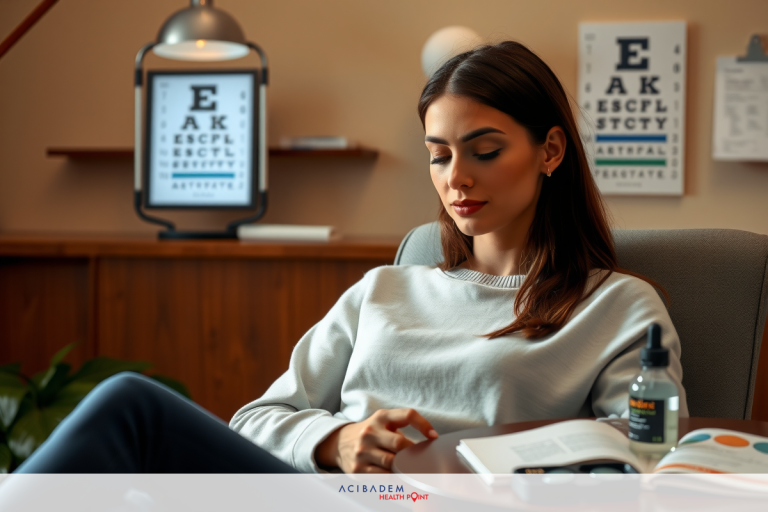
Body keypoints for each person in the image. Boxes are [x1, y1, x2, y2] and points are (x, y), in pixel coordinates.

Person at [14, 41, 687, 475]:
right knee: (129, 402)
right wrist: (337, 442)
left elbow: (644, 460)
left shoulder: (619, 306)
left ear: (550, 151)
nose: (457, 178)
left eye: (484, 151)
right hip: (323, 493)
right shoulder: (385, 290)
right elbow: (256, 418)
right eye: (438, 154)